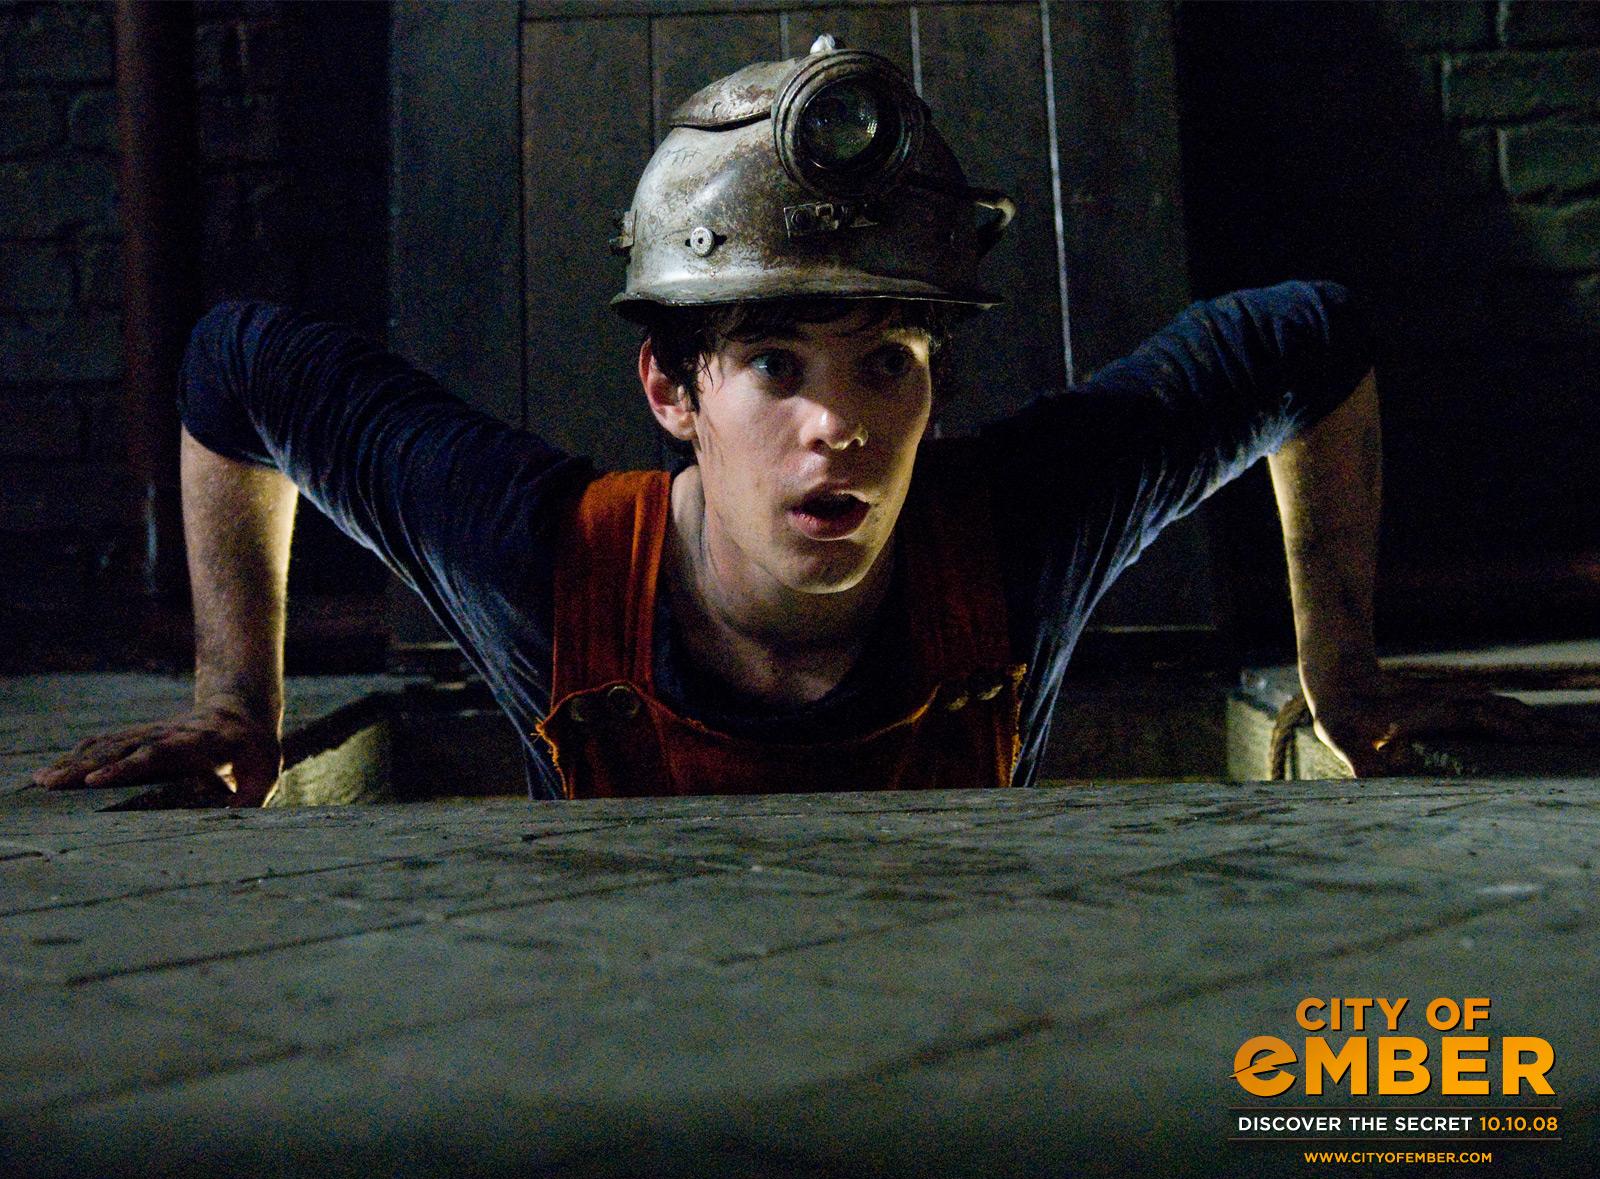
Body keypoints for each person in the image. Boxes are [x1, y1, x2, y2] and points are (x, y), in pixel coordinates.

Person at [35, 40, 1544, 805]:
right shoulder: (541, 555)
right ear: (671, 390)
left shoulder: (1015, 533)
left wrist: (1342, 674)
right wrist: (237, 704)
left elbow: (1310, 341)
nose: (840, 426)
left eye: (886, 361)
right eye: (772, 364)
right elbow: (239, 368)